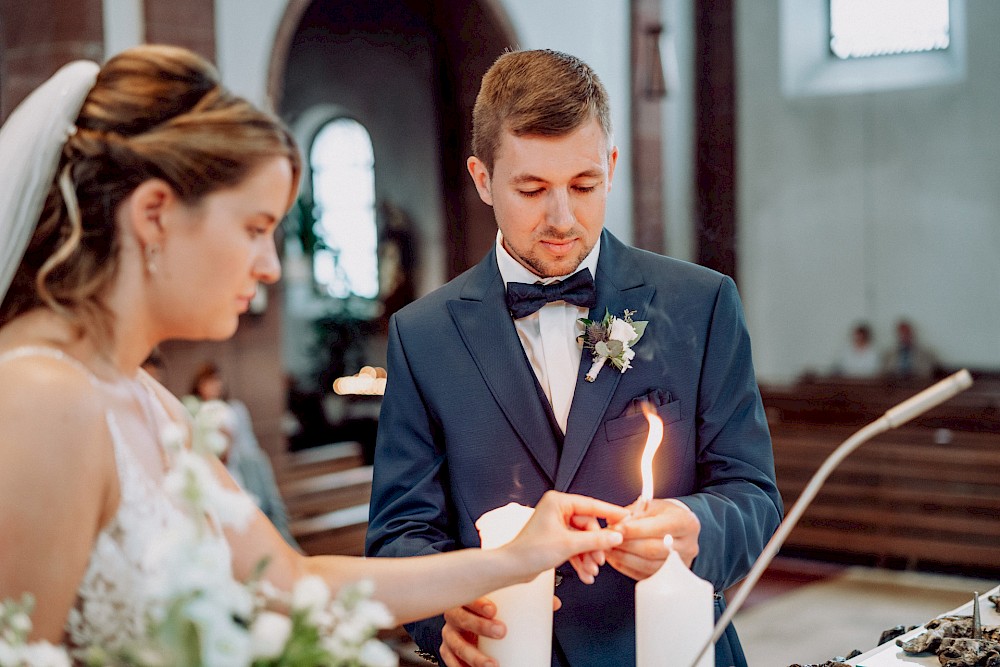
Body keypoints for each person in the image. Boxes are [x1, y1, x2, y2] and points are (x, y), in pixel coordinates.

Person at [0, 45, 627, 658]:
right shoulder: (43, 399)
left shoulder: (143, 395)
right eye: (254, 229)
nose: (271, 266)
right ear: (156, 214)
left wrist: (516, 559)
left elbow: (288, 586)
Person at [365, 49, 783, 667]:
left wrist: (697, 530)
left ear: (611, 167)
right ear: (482, 179)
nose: (562, 218)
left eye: (584, 185)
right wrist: (440, 613)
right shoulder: (422, 336)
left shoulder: (702, 303)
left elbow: (753, 495)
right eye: (531, 189)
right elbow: (400, 534)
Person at [184, 360, 300, 549]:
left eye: (226, 433)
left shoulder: (254, 463)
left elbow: (277, 512)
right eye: (215, 434)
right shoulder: (200, 475)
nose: (221, 441)